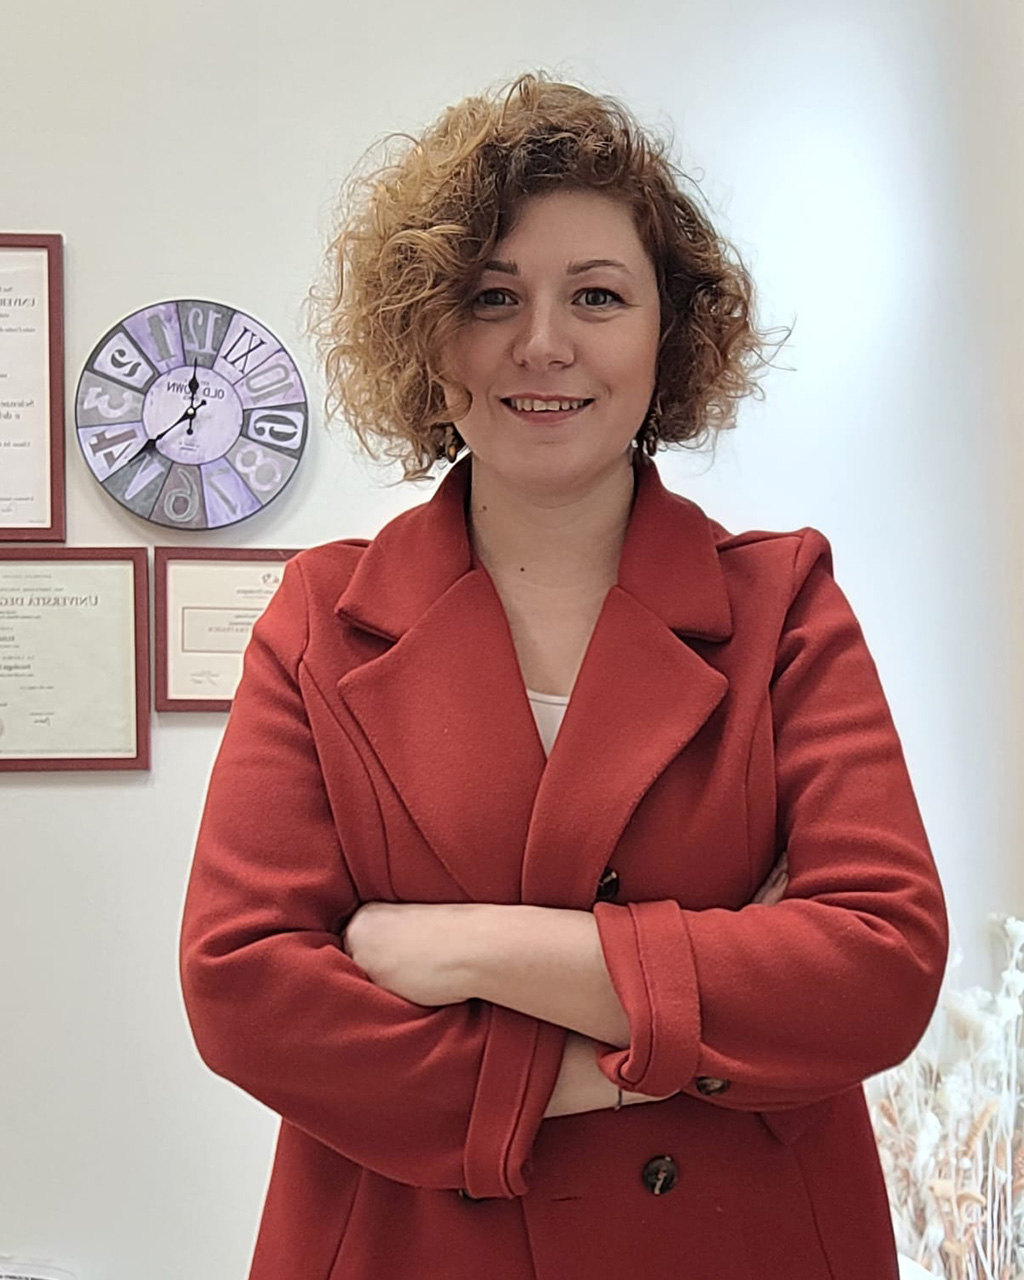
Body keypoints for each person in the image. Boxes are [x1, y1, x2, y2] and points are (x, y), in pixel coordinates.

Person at [178, 70, 949, 1279]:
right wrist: (646, 1048)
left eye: (597, 294)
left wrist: (474, 947)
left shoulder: (783, 604)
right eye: (492, 295)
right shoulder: (322, 618)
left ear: (665, 333)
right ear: (430, 335)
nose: (543, 342)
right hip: (412, 1248)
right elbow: (246, 989)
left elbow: (877, 966)